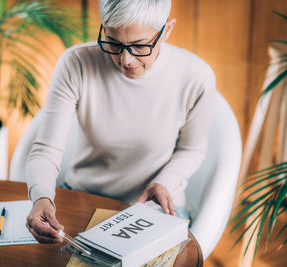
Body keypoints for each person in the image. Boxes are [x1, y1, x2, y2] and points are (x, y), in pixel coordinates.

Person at [25, 0, 216, 244]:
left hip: (156, 205)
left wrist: (164, 183)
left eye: (140, 45)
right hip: (83, 196)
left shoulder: (196, 76)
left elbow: (192, 150)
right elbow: (46, 148)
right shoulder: (77, 64)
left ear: (167, 30)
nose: (126, 60)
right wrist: (41, 197)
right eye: (113, 42)